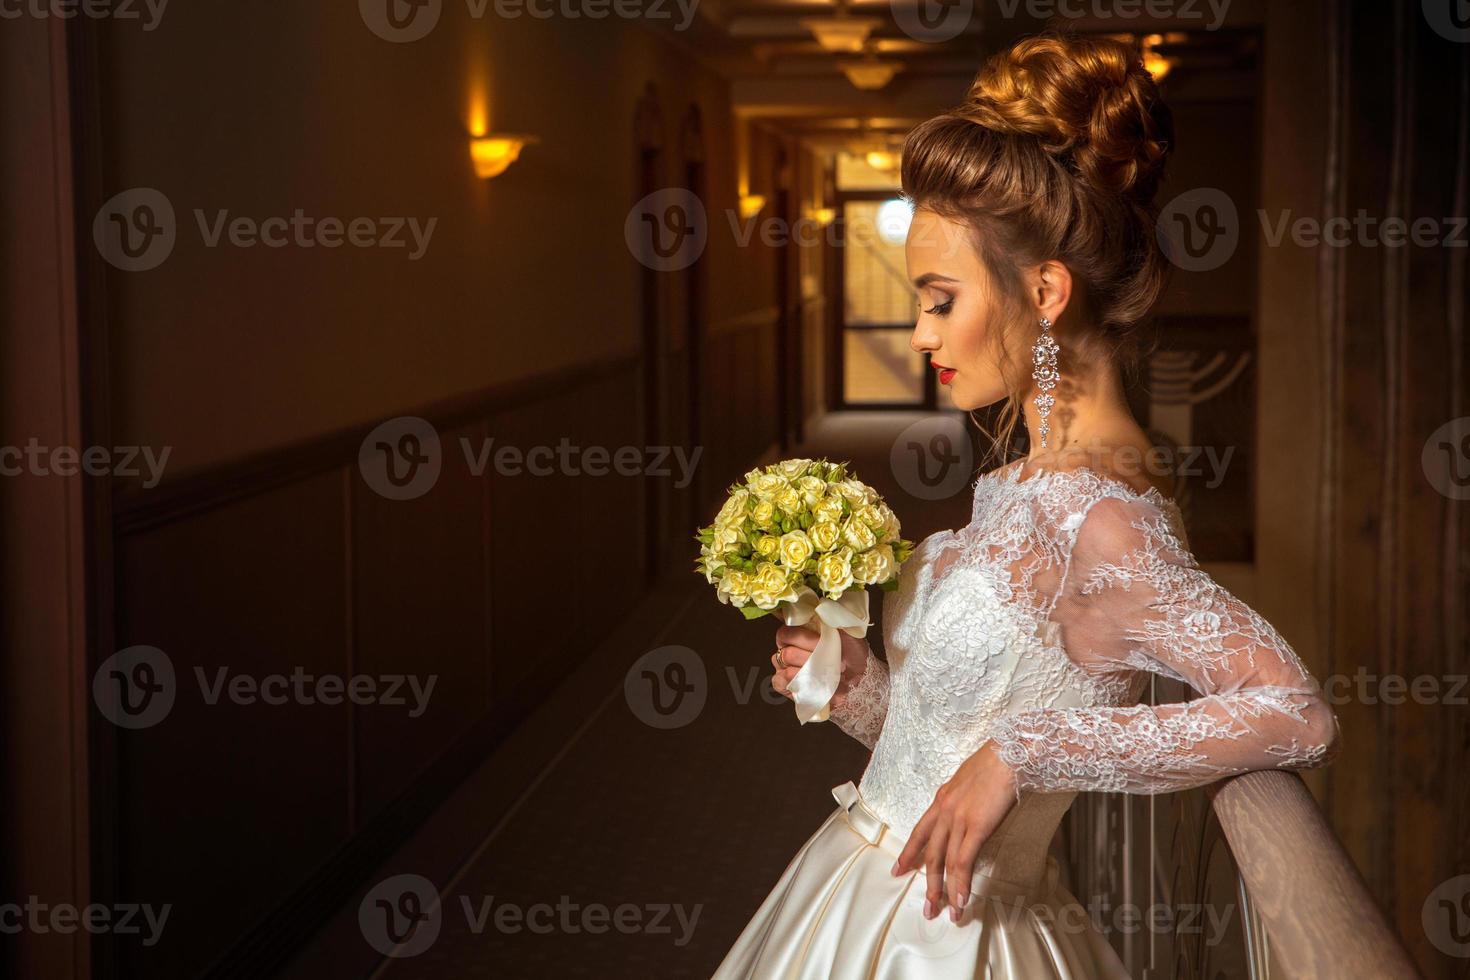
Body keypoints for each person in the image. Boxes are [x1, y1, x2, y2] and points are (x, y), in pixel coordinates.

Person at [711, 32, 1341, 979]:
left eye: (939, 299)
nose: (923, 334)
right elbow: (943, 752)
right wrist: (861, 689)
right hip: (866, 893)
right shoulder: (1017, 482)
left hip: (954, 937)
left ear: (1045, 290)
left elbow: (1294, 710)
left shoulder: (1104, 515)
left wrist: (1025, 752)